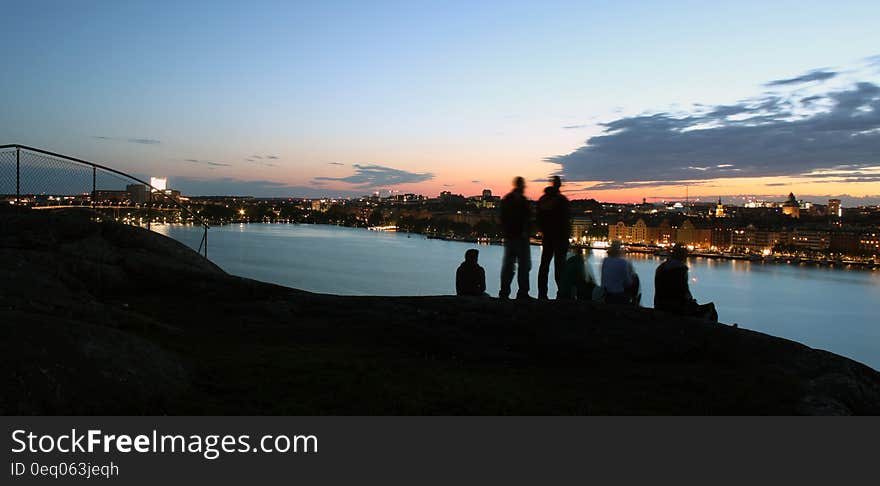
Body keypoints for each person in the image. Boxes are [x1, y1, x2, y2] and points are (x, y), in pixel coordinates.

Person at [654, 244, 718, 322]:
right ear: (682, 256)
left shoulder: (661, 267)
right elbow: (683, 291)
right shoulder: (680, 269)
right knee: (710, 309)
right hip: (675, 308)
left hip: (660, 305)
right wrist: (692, 303)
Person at [536, 176, 571, 300]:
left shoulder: (543, 200)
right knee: (560, 267)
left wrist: (544, 230)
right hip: (560, 238)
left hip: (548, 237)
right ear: (559, 185)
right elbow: (566, 221)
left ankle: (542, 294)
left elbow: (538, 217)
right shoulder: (561, 200)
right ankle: (562, 294)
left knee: (544, 266)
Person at [499, 176, 532, 299]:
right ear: (521, 186)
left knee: (509, 266)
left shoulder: (508, 199)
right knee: (523, 266)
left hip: (512, 237)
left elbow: (503, 217)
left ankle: (505, 292)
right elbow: (527, 218)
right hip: (519, 237)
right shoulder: (521, 200)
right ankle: (522, 292)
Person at [601, 241, 639, 305]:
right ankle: (634, 301)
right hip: (618, 295)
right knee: (635, 277)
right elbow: (628, 282)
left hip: (606, 294)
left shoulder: (605, 260)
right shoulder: (622, 262)